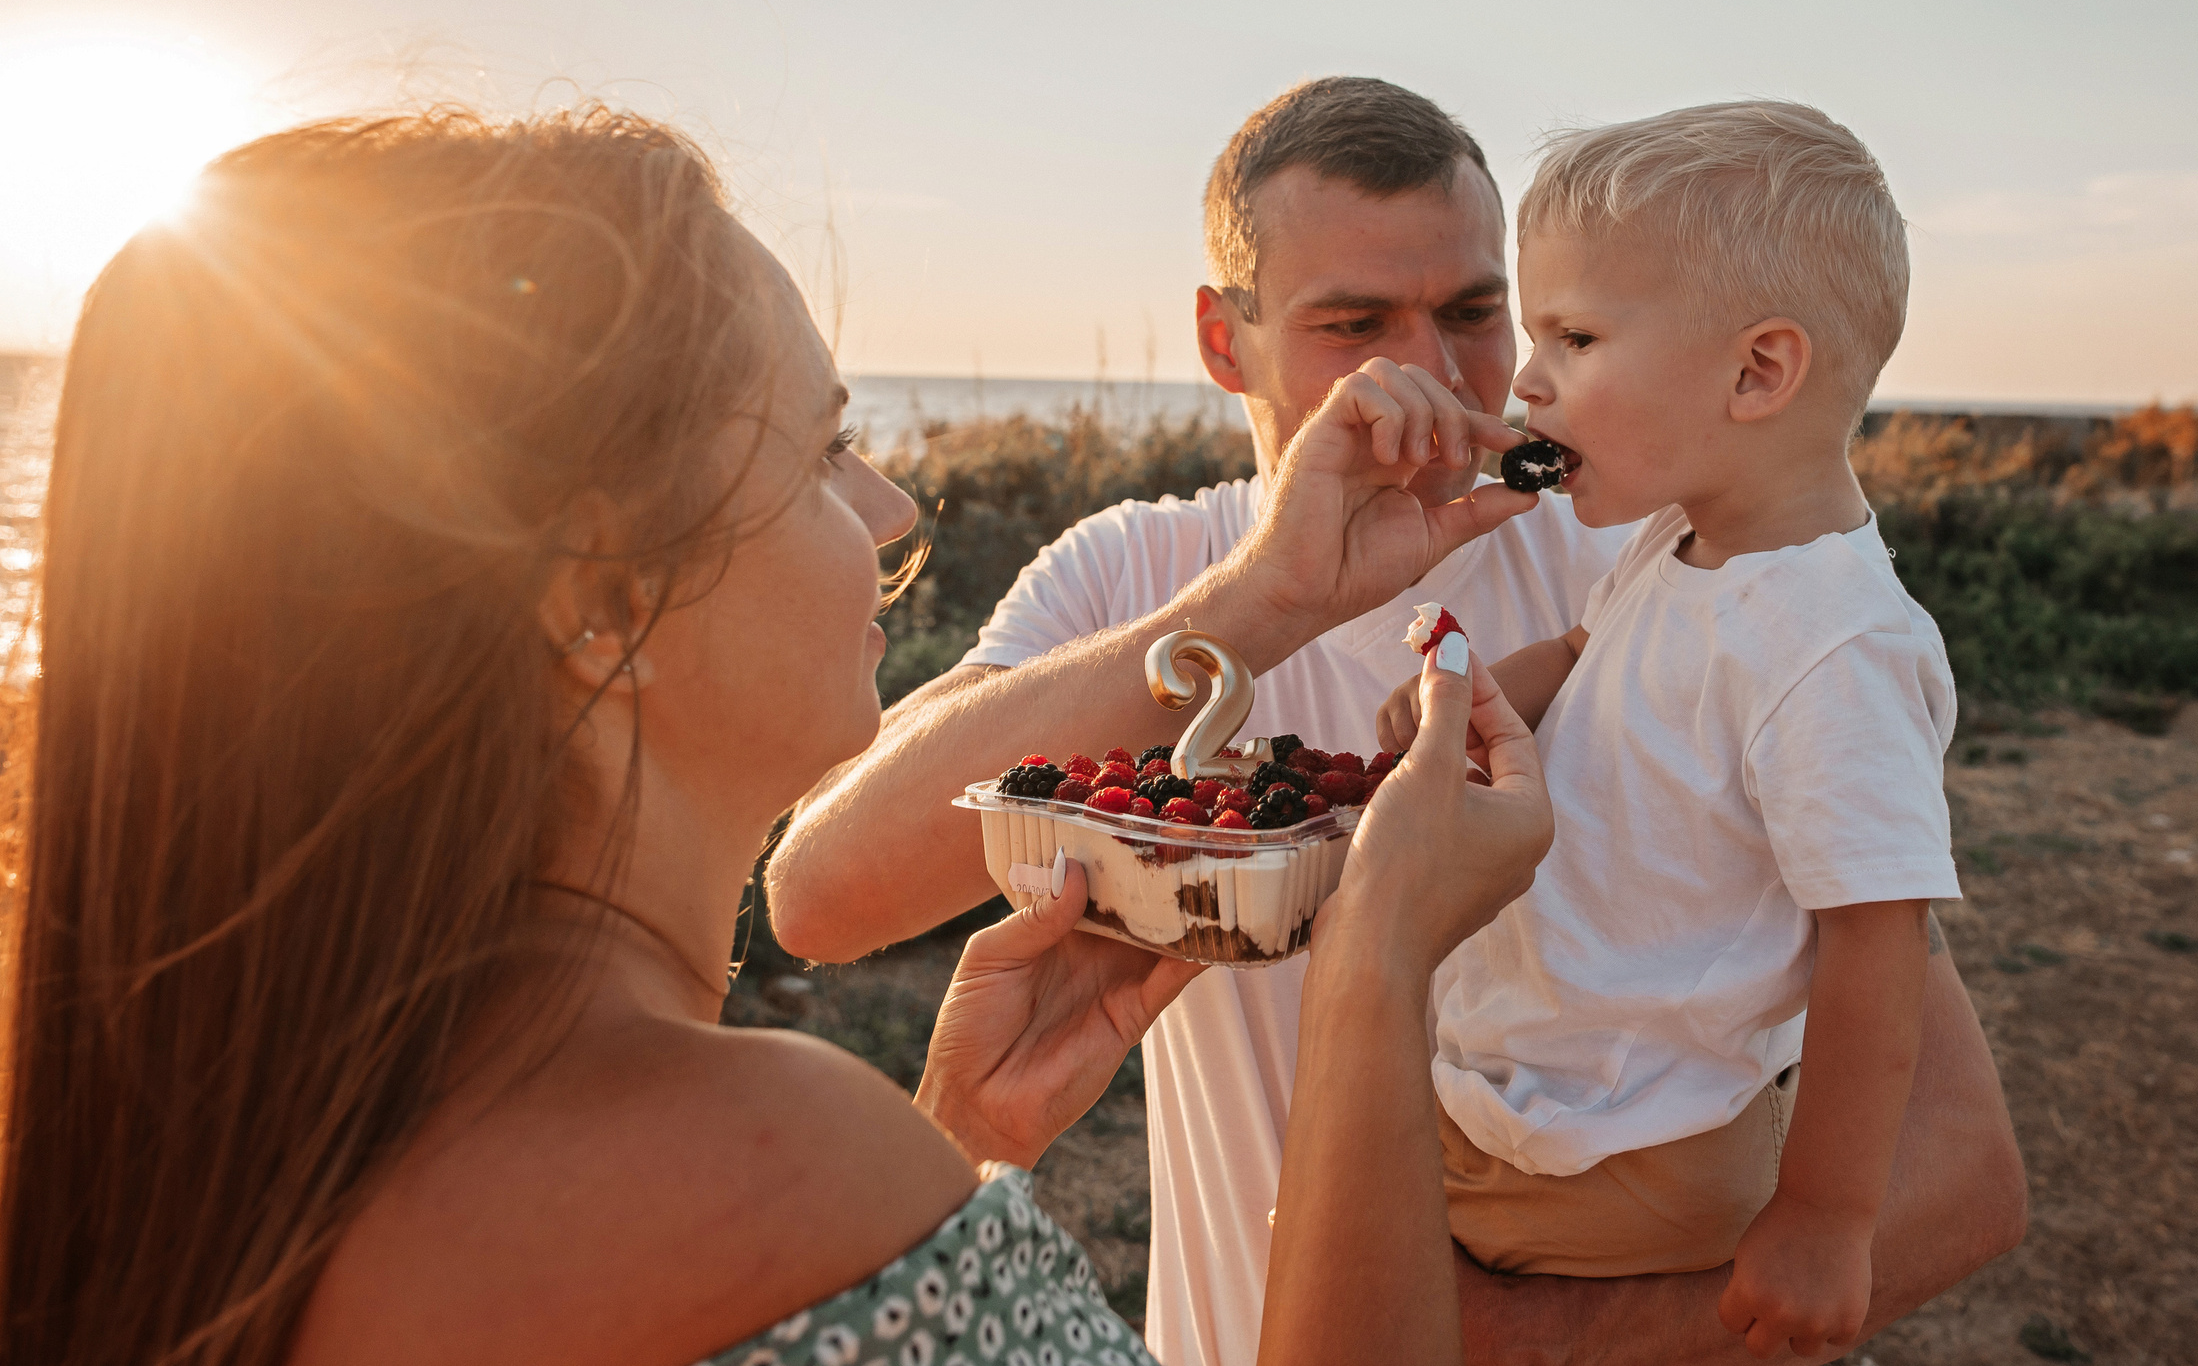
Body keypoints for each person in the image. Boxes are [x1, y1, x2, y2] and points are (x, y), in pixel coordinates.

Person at [0, 106, 1552, 1366]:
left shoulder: (232, 1148)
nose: (891, 516)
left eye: (1476, 309)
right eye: (824, 451)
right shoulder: (761, 1156)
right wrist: (1376, 948)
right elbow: (827, 902)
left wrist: (951, 1175)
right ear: (603, 595)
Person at [769, 79, 2029, 1366]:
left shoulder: (1653, 547)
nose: (1437, 371)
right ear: (1223, 344)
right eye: (1352, 321)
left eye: (1479, 312)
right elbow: (819, 893)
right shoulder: (1135, 577)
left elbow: (1961, 1173)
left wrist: (1508, 1340)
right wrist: (1269, 595)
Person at [1377, 101, 1957, 1358]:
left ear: (1758, 371)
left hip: (1631, 1143)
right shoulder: (1679, 539)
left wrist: (1822, 1212)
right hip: (1512, 1090)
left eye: (1575, 335)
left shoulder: (1830, 643)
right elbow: (1591, 660)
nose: (1525, 379)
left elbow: (1876, 946)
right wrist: (1472, 693)